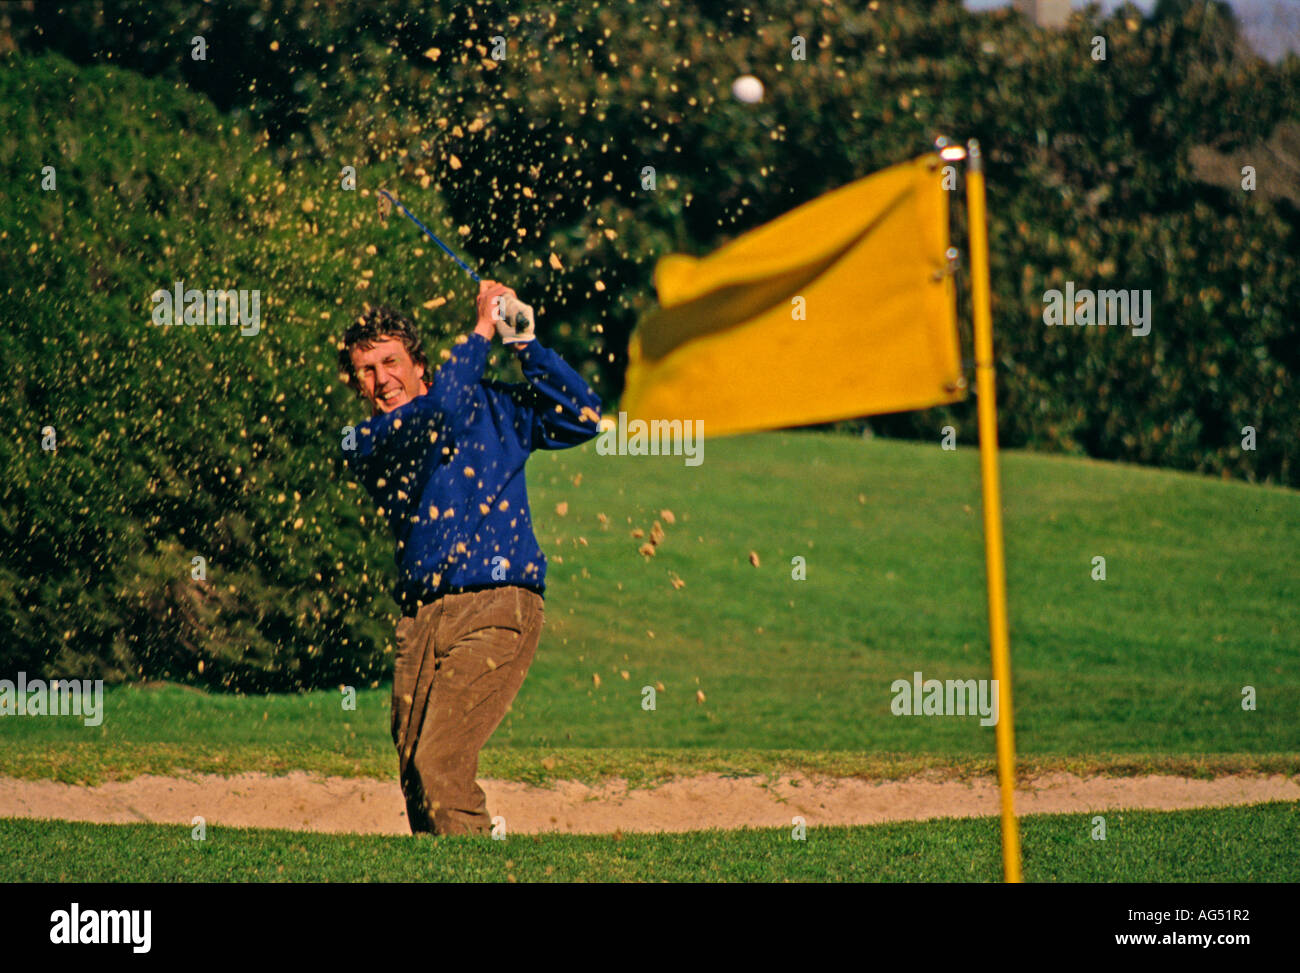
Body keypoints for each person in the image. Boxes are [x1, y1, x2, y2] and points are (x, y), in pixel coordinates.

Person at [337, 279, 601, 835]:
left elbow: (583, 415)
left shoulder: (496, 404)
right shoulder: (371, 438)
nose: (381, 379)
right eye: (365, 370)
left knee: (440, 766)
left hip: (499, 607)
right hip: (420, 622)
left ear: (418, 363)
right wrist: (481, 328)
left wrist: (523, 343)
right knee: (417, 774)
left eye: (390, 361)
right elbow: (441, 415)